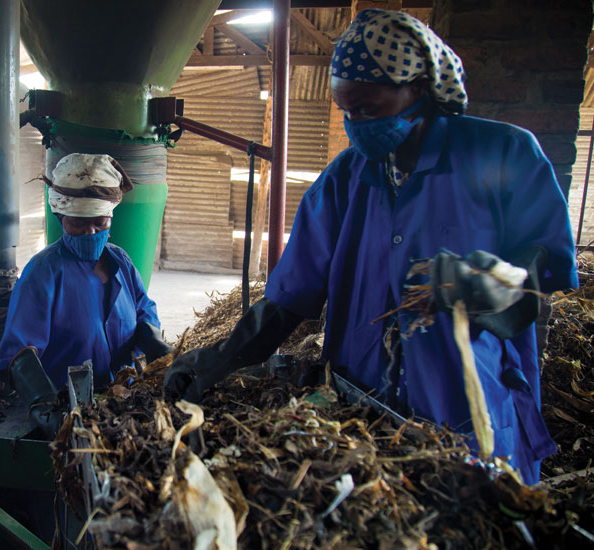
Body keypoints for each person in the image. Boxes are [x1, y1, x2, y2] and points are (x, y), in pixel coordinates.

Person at [163, 9, 578, 485]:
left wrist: (499, 286)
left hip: (465, 411)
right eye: (346, 111)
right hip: (361, 406)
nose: (355, 123)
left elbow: (541, 268)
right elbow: (289, 297)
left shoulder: (504, 154)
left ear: (419, 89)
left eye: (368, 109)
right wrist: (217, 359)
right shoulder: (346, 177)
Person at [0, 153, 171, 390]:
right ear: (60, 218)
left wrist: (156, 343)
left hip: (123, 395)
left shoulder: (120, 260)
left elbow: (143, 309)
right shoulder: (43, 273)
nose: (90, 232)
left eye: (100, 223)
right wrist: (43, 403)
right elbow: (20, 352)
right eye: (77, 223)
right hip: (66, 402)